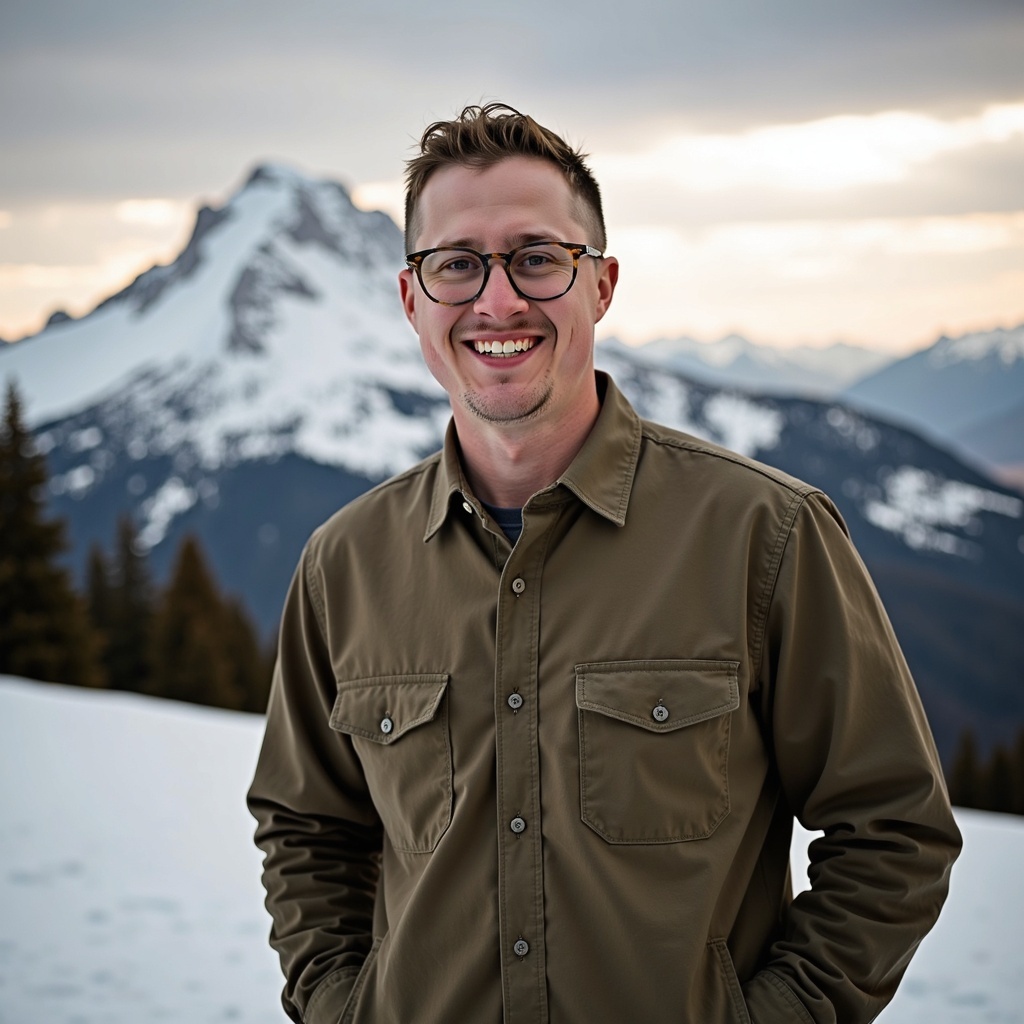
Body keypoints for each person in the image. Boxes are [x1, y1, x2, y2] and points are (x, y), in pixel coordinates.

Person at [247, 103, 961, 1024]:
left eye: (537, 258)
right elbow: (307, 830)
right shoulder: (345, 564)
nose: (497, 301)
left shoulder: (764, 534)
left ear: (602, 284)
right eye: (456, 263)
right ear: (411, 297)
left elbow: (894, 829)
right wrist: (341, 1005)